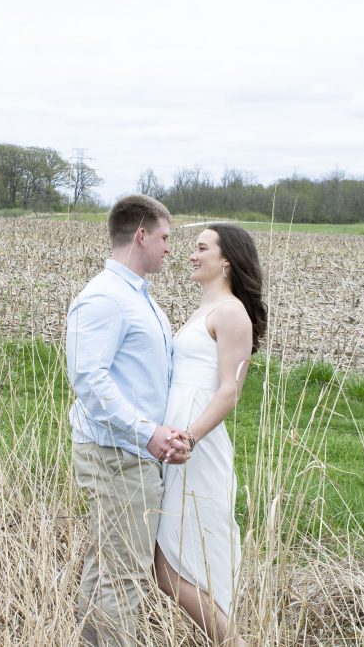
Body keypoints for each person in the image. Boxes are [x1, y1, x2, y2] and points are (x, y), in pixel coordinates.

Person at [66, 193, 192, 646]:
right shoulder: (104, 299)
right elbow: (89, 380)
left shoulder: (138, 299)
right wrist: (147, 433)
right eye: (164, 237)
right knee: (121, 576)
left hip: (133, 455)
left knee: (111, 571)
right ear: (141, 235)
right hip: (118, 456)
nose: (169, 248)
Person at [154, 223, 267, 646]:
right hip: (177, 442)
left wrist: (190, 436)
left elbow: (229, 391)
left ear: (226, 260)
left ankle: (233, 642)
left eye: (201, 248)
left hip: (196, 447)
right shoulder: (203, 310)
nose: (191, 254)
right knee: (168, 559)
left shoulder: (232, 312)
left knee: (168, 565)